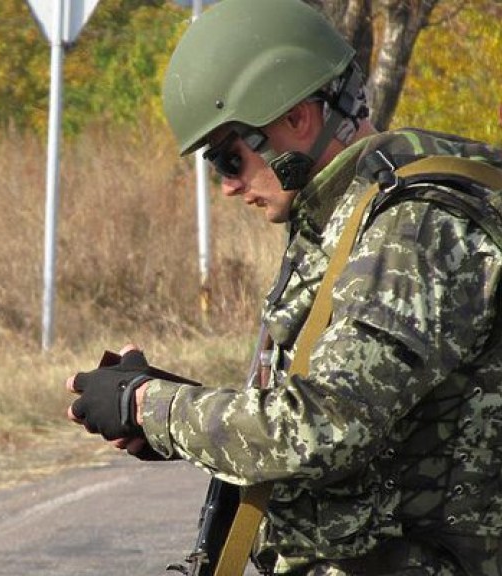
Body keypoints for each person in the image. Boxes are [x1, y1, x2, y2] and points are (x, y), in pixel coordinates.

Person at [65, 0, 502, 573]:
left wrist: (153, 408)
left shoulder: (411, 229)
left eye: (229, 157)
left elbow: (323, 426)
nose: (227, 186)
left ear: (296, 119)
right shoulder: (345, 215)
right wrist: (178, 417)